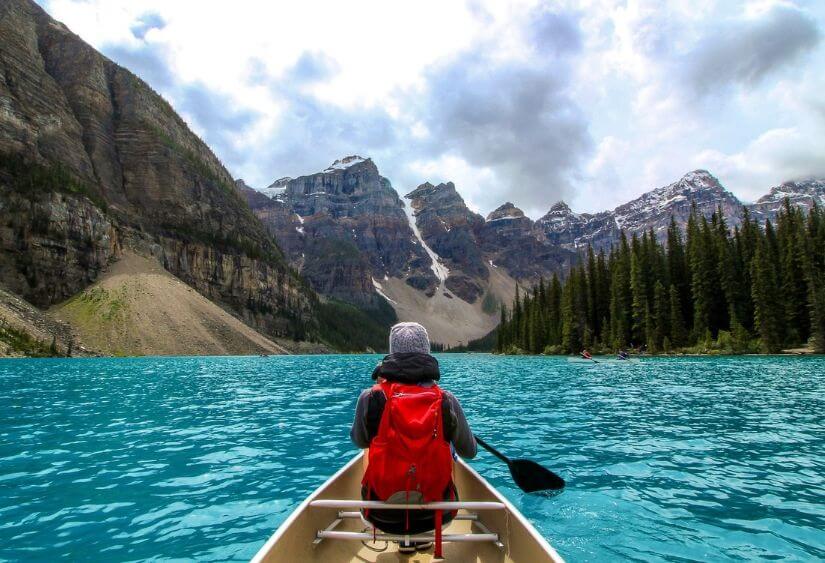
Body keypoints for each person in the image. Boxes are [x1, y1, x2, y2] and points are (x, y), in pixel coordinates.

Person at [350, 322, 476, 554]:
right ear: (426, 352)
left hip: (379, 515)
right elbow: (471, 451)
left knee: (368, 448)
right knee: (450, 450)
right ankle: (423, 536)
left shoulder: (369, 398)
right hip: (438, 516)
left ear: (391, 353)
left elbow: (359, 441)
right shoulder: (446, 400)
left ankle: (402, 539)